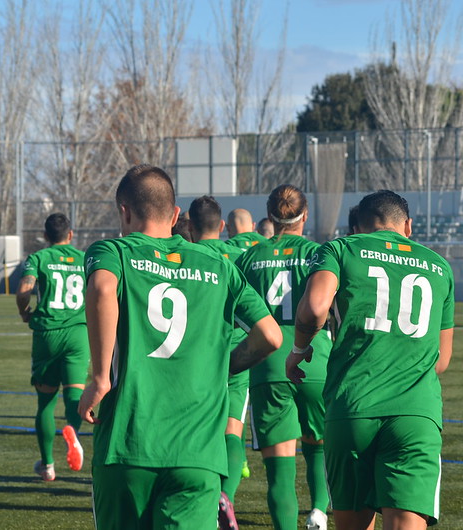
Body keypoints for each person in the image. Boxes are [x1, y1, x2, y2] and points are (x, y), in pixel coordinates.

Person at [78, 165, 282, 530]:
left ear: (123, 210)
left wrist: (98, 378)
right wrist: (227, 365)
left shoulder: (113, 251)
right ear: (175, 216)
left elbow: (103, 289)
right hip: (198, 454)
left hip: (129, 445)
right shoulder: (219, 265)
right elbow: (270, 336)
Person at [288, 189, 455, 530]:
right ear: (407, 226)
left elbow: (314, 309)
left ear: (359, 226)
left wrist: (300, 350)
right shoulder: (439, 265)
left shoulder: (341, 249)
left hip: (352, 406)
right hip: (415, 412)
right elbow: (442, 360)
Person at [235, 185, 331, 530]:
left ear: (270, 217)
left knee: (279, 470)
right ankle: (319, 510)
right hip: (315, 360)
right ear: (304, 215)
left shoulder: (248, 257)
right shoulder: (321, 254)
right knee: (318, 445)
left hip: (269, 365)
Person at [188, 195, 252, 516]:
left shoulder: (185, 254)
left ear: (189, 224)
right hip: (236, 352)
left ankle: (201, 492)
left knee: (195, 427)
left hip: (195, 353)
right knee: (232, 430)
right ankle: (224, 498)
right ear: (223, 226)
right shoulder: (243, 255)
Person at [15, 213, 88, 482]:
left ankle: (47, 466)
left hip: (47, 334)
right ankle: (74, 434)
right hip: (78, 333)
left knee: (45, 401)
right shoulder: (83, 259)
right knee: (74, 394)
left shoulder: (38, 258)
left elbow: (24, 290)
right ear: (70, 234)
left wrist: (25, 312)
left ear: (46, 236)